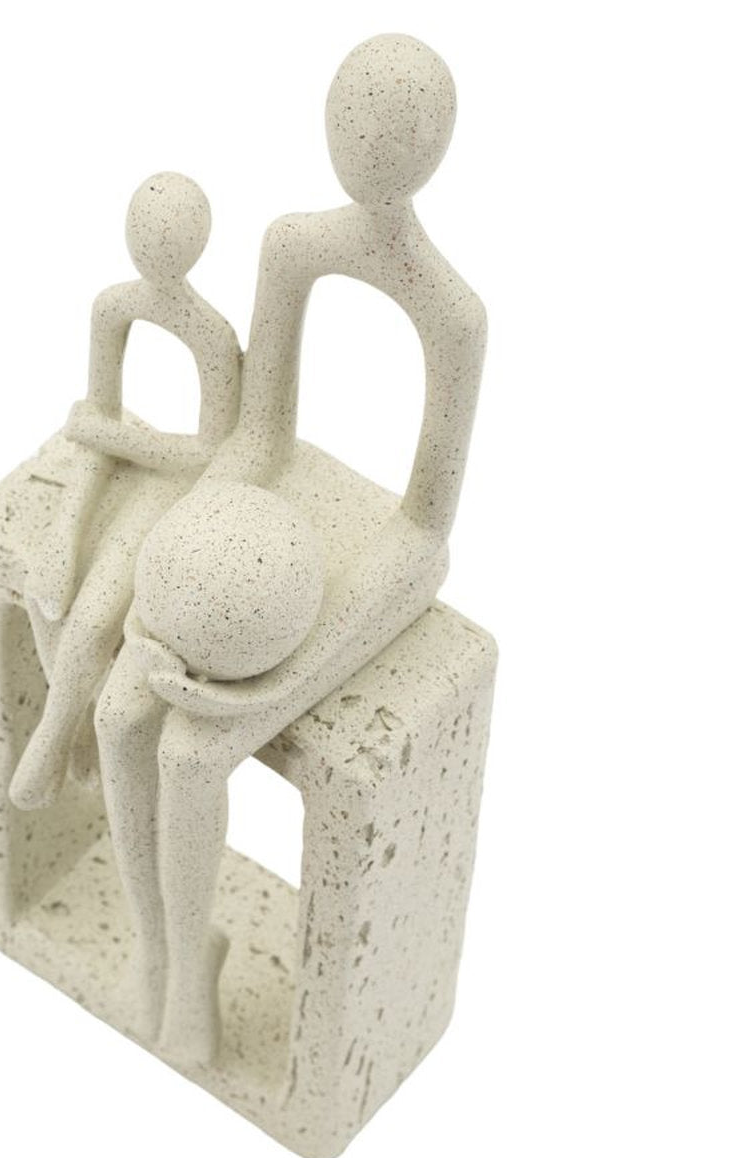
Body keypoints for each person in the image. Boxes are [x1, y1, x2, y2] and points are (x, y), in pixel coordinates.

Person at [94, 34, 489, 1065]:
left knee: (192, 751)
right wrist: (167, 569)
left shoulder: (453, 314)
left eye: (398, 132)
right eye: (358, 121)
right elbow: (256, 440)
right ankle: (164, 946)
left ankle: (190, 979)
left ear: (435, 147)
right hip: (257, 514)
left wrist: (282, 681)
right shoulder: (293, 247)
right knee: (120, 710)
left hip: (363, 556)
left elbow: (423, 535)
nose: (371, 151)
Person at [10, 172, 240, 812]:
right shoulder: (113, 309)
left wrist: (122, 440)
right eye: (146, 231)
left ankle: (55, 731)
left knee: (93, 616)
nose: (156, 248)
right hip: (127, 462)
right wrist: (65, 534)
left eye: (172, 236)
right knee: (47, 597)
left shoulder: (213, 337)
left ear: (198, 243)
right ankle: (74, 724)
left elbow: (208, 456)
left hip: (178, 492)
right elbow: (96, 423)